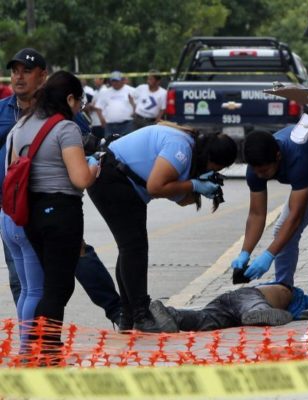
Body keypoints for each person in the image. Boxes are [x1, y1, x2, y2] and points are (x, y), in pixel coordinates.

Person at [0, 48, 121, 328]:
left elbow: (85, 143)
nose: (19, 77)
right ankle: (33, 343)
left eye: (26, 71)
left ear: (43, 77)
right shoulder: (4, 112)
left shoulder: (66, 115)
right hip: (14, 208)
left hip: (52, 204)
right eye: (15, 71)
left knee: (73, 263)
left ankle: (116, 310)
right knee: (28, 283)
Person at [88, 123, 238, 332]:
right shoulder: (181, 149)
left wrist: (198, 186)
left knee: (131, 247)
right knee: (134, 248)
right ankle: (140, 315)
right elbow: (156, 187)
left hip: (119, 181)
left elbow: (181, 199)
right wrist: (194, 185)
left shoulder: (191, 149)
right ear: (210, 158)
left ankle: (129, 315)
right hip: (112, 178)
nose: (213, 172)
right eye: (216, 168)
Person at [5, 71, 98, 355]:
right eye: (79, 102)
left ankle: (38, 347)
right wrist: (95, 167)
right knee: (57, 289)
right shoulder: (65, 129)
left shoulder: (20, 125)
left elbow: (13, 169)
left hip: (32, 215)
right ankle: (45, 352)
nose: (80, 108)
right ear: (70, 99)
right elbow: (80, 179)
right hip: (61, 214)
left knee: (50, 285)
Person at [230, 128, 308, 319]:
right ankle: (284, 289)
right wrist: (245, 252)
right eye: (256, 171)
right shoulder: (256, 169)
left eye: (265, 170)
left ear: (278, 156)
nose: (260, 175)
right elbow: (257, 214)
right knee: (279, 229)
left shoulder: (297, 156)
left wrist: (268, 255)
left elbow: (295, 218)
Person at [149, 283, 308, 332]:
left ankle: (171, 314)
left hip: (228, 309)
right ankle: (259, 312)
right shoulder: (297, 295)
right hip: (247, 296)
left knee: (203, 320)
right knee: (254, 306)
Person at [96, 71, 135, 137]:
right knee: (109, 145)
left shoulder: (131, 90)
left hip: (127, 125)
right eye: (113, 81)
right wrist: (102, 119)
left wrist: (134, 108)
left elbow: (138, 106)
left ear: (122, 80)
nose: (115, 83)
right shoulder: (105, 92)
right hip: (110, 126)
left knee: (127, 144)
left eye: (117, 81)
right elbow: (98, 107)